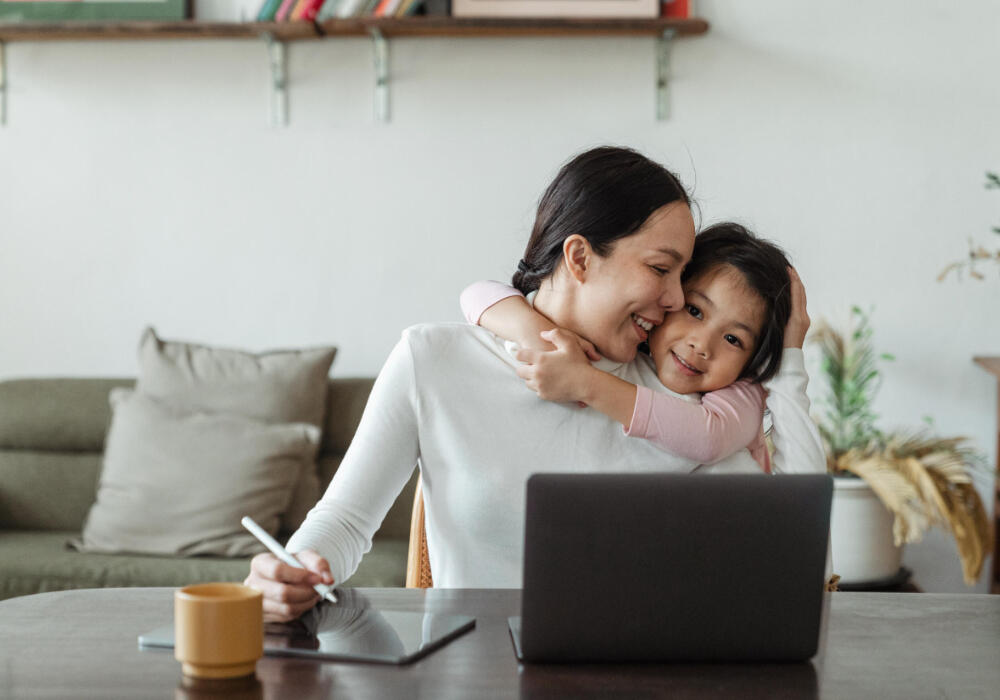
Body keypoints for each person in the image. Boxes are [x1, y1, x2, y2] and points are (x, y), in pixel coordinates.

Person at [245, 146, 825, 622]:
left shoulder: (686, 400)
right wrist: (293, 567)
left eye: (682, 276)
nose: (675, 300)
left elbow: (792, 546)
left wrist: (791, 358)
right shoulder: (433, 360)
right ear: (579, 257)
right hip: (470, 680)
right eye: (659, 269)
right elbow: (345, 522)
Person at [460, 223, 800, 472]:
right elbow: (476, 293)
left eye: (733, 339)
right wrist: (538, 335)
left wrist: (585, 383)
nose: (702, 344)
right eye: (694, 311)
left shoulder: (743, 392)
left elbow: (708, 437)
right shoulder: (632, 349)